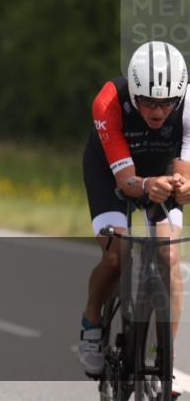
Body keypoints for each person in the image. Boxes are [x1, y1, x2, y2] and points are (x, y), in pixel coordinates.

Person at [78, 41, 190, 394]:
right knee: (117, 254)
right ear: (135, 94)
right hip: (111, 172)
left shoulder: (187, 104)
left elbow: (184, 166)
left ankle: (164, 360)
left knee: (169, 257)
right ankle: (92, 322)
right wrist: (146, 184)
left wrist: (184, 186)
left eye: (167, 103)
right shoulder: (108, 102)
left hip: (161, 170)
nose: (159, 112)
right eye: (150, 103)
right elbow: (126, 182)